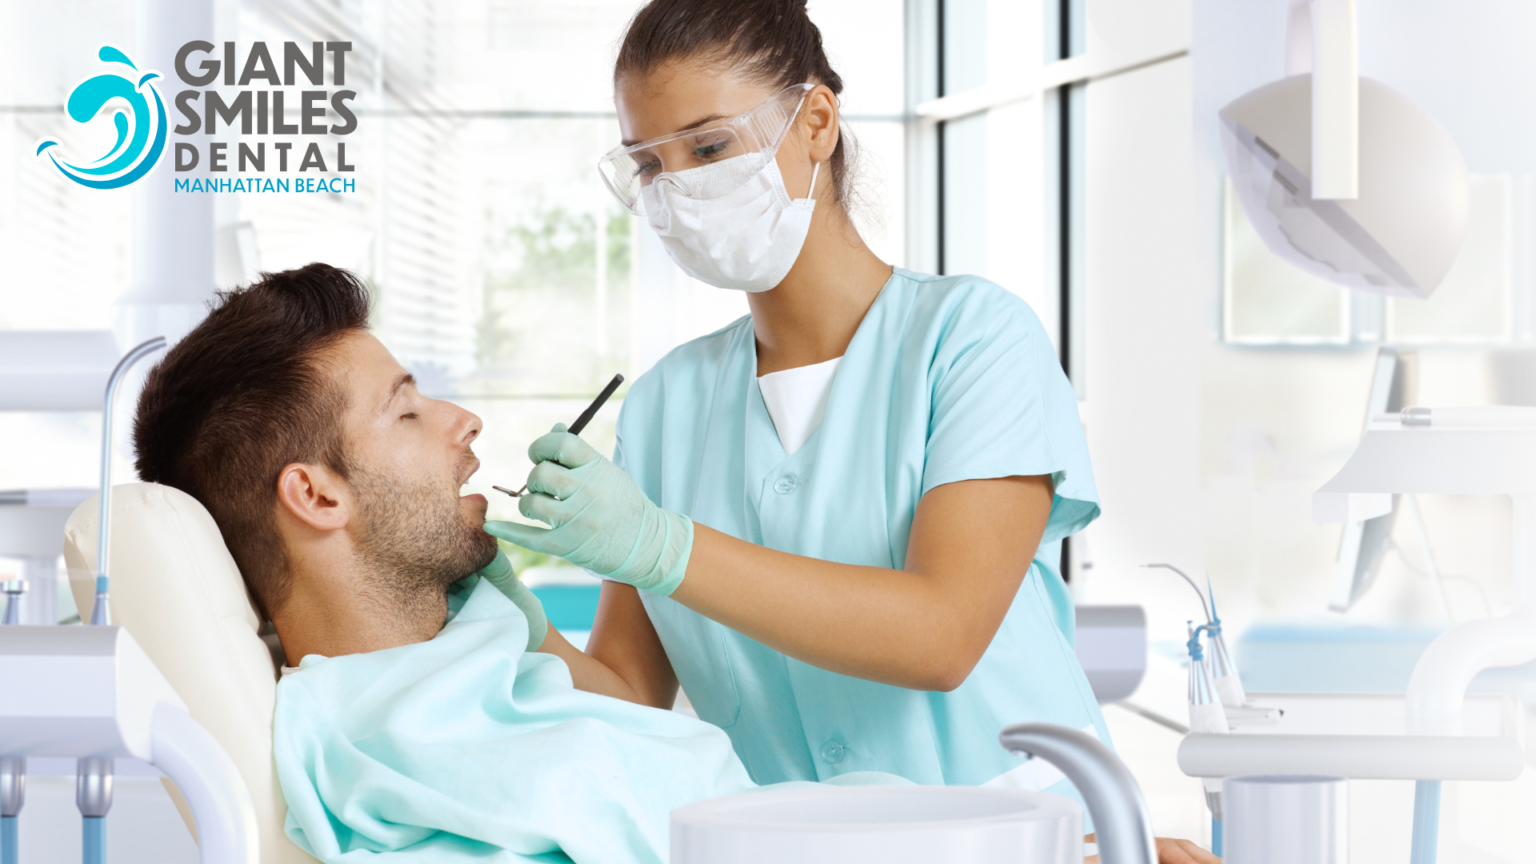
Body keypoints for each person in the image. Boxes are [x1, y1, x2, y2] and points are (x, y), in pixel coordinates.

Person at [486, 2, 1217, 861]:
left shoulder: (974, 339)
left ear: (817, 122)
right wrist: (507, 610)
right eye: (649, 164)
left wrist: (658, 546)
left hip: (1032, 835)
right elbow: (631, 697)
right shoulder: (664, 405)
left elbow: (941, 636)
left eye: (710, 147)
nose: (677, 186)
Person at [131, 264, 906, 864]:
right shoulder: (379, 756)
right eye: (406, 411)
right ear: (317, 496)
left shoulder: (477, 646)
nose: (465, 422)